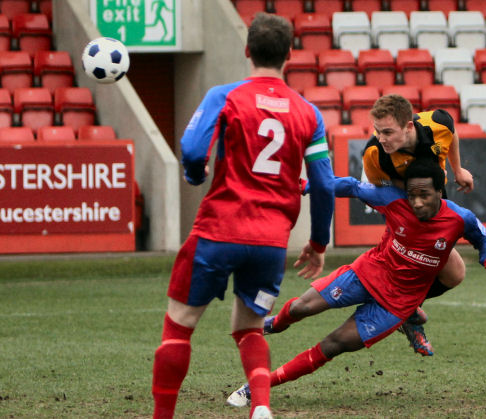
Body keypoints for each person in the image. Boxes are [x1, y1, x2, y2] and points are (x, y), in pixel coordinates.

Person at [151, 13, 335, 419]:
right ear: (290, 54)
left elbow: (194, 148)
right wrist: (318, 242)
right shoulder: (308, 113)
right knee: (249, 327)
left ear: (247, 50)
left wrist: (195, 174)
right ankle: (262, 407)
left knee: (179, 326)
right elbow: (323, 183)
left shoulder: (225, 95)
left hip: (218, 230)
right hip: (270, 242)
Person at [227, 158, 486, 408]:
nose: (417, 202)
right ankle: (271, 326)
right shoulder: (393, 200)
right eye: (412, 195)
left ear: (439, 191)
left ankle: (257, 387)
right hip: (368, 272)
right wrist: (306, 185)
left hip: (395, 305)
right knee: (302, 306)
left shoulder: (459, 218)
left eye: (424, 195)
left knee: (333, 344)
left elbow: (483, 237)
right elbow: (351, 186)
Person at [363, 94, 475, 356]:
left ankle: (402, 310)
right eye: (378, 131)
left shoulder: (438, 123)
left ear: (408, 127)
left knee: (453, 274)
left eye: (388, 132)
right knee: (452, 270)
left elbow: (451, 134)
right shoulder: (374, 154)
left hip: (436, 206)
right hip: (405, 210)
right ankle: (403, 312)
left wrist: (457, 170)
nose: (381, 138)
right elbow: (382, 194)